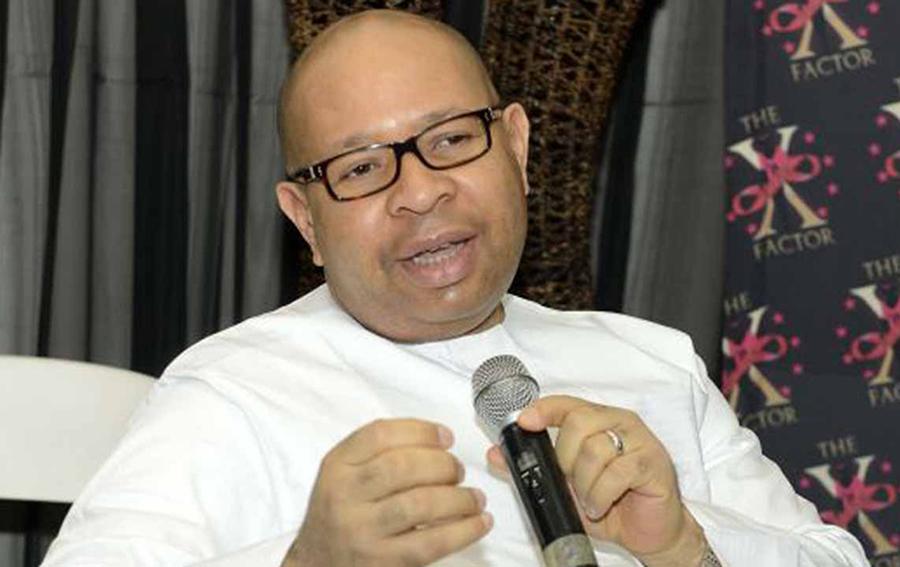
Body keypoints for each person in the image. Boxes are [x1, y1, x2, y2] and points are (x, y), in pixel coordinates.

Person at [42, 10, 867, 567]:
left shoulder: (653, 361)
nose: (419, 191)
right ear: (305, 219)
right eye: (361, 168)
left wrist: (683, 543)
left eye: (449, 140)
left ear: (517, 147)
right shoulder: (234, 389)